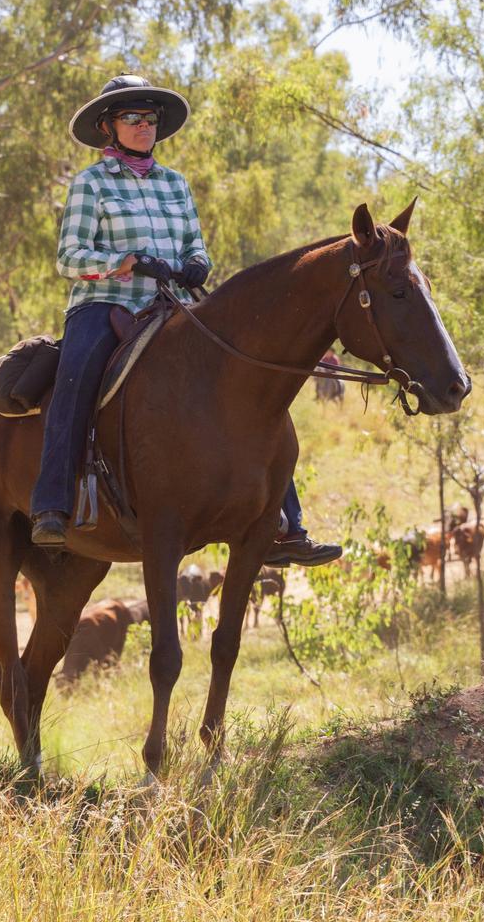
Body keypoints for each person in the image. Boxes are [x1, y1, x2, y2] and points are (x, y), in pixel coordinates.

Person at [31, 73, 341, 567]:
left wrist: (197, 264)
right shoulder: (90, 183)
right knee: (76, 374)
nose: (142, 126)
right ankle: (51, 504)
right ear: (109, 126)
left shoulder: (175, 184)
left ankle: (286, 525)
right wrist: (125, 262)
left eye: (149, 118)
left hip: (173, 304)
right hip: (105, 302)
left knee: (249, 386)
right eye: (131, 118)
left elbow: (195, 244)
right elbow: (68, 257)